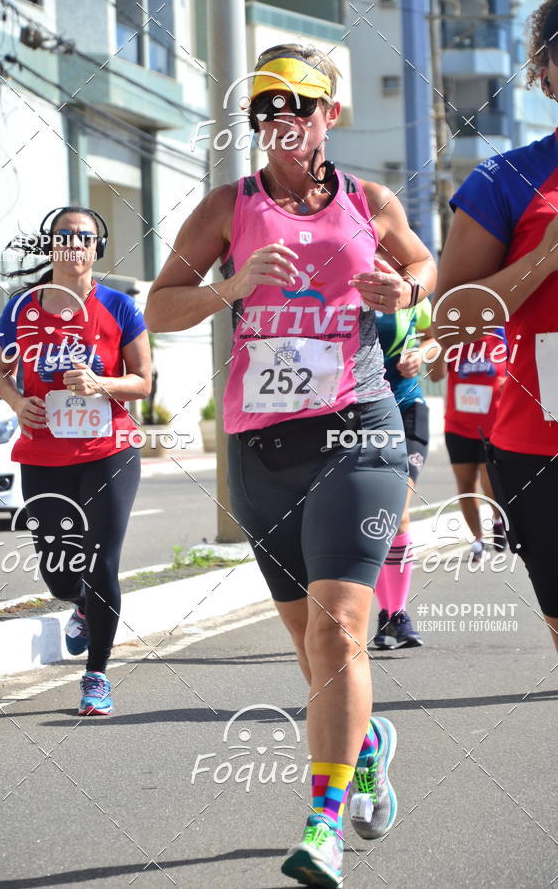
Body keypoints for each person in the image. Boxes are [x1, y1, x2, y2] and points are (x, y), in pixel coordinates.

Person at [146, 45, 435, 886]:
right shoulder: (226, 208)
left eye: (299, 107)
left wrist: (407, 292)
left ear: (328, 117)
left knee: (340, 625)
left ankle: (322, 825)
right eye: (268, 110)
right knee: (314, 656)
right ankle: (368, 742)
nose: (283, 121)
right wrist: (227, 291)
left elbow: (424, 263)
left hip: (359, 429)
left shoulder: (369, 202)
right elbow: (160, 304)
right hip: (263, 447)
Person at [436, 0, 558, 652]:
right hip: (541, 445)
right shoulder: (504, 181)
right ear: (543, 72)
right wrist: (542, 260)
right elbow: (450, 322)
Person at [0, 205, 151, 714]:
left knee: (102, 562)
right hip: (44, 451)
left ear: (96, 248)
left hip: (110, 450)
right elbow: (1, 372)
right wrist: (19, 404)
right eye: (64, 236)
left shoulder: (119, 306)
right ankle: (80, 602)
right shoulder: (22, 309)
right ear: (52, 246)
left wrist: (101, 383)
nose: (74, 245)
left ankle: (96, 677)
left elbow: (145, 382)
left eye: (84, 237)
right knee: (61, 572)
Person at [373, 300, 438, 649]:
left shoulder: (412, 292)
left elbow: (433, 337)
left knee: (398, 511)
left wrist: (421, 355)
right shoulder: (344, 287)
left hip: (408, 408)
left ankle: (396, 614)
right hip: (362, 416)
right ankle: (388, 615)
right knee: (376, 516)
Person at [431, 331, 507, 562]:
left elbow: (518, 373)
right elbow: (435, 376)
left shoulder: (501, 338)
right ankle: (477, 540)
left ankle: (498, 519)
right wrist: (444, 344)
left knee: (490, 482)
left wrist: (507, 384)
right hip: (458, 425)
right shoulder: (454, 340)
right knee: (465, 485)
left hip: (493, 426)